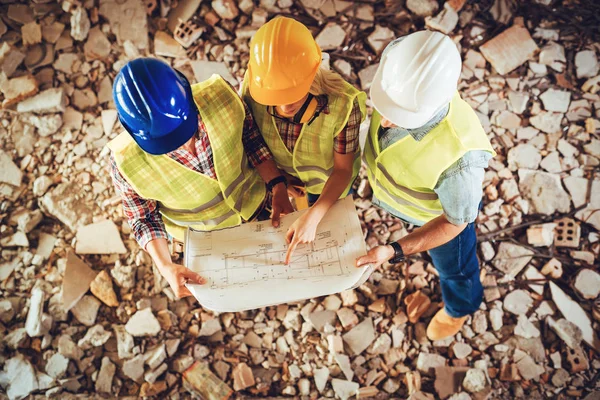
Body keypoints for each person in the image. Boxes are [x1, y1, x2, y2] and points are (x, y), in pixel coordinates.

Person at [108, 58, 293, 298]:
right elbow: (144, 218)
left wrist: (277, 185)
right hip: (205, 241)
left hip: (260, 206)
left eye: (185, 130)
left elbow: (251, 139)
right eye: (168, 143)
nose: (184, 143)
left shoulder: (221, 97)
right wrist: (165, 266)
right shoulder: (125, 163)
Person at [355, 31, 496, 341]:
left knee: (456, 269)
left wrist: (394, 250)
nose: (386, 122)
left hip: (440, 216)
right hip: (408, 199)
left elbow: (454, 223)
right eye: (386, 109)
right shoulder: (399, 69)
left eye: (401, 117)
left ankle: (460, 307)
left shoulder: (461, 163)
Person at [242, 17, 367, 264]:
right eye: (275, 97)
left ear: (313, 72)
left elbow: (343, 170)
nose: (284, 104)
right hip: (283, 177)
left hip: (329, 183)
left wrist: (314, 215)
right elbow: (252, 137)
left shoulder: (344, 105)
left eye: (293, 94)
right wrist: (278, 183)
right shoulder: (257, 86)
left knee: (325, 230)